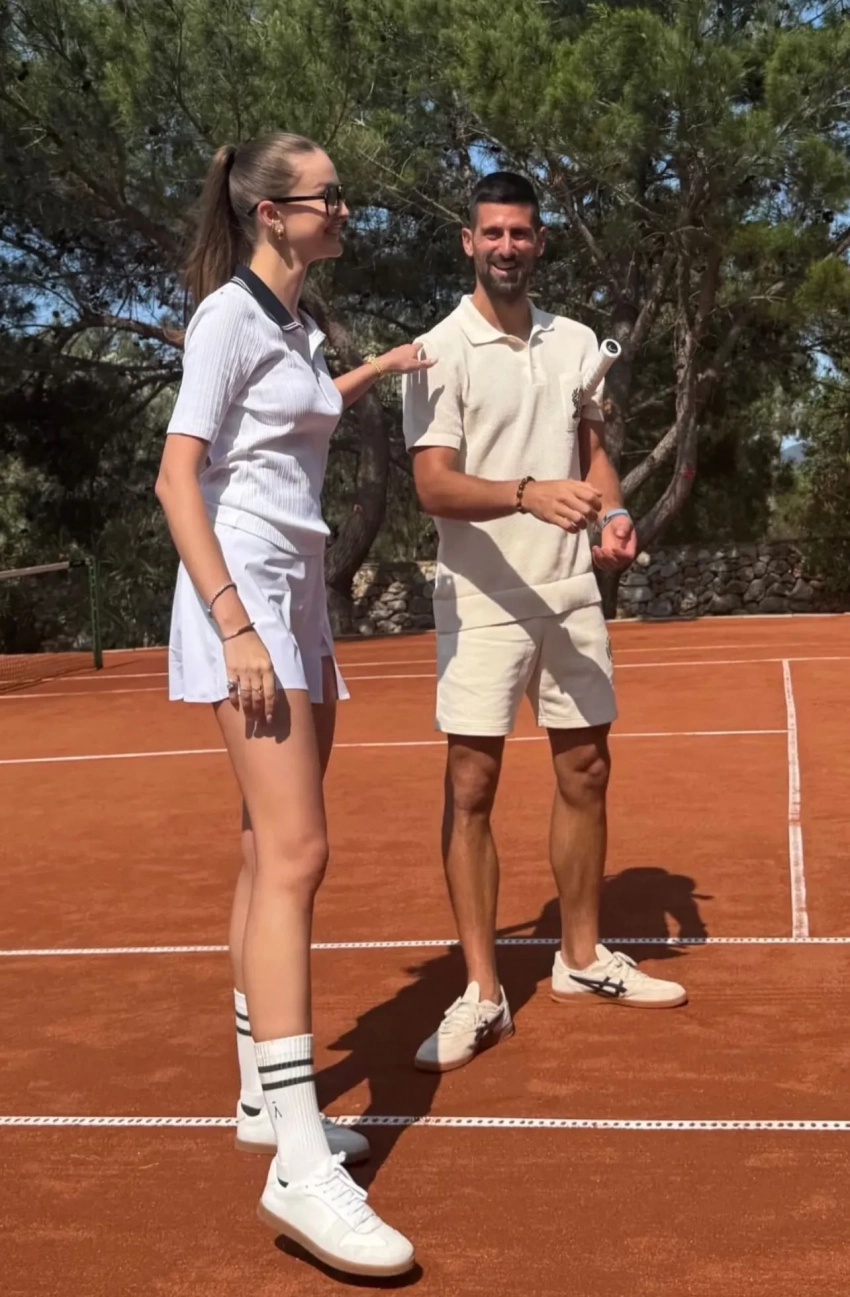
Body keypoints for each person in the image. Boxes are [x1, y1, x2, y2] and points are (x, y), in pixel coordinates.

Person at [155, 131, 429, 1277]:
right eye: (328, 198)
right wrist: (233, 625)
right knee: (298, 853)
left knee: (265, 846)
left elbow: (299, 412)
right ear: (271, 212)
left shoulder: (296, 325)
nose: (345, 209)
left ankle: (259, 1101)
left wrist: (382, 366)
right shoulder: (227, 318)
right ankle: (299, 1161)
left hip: (298, 598)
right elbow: (177, 474)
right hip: (248, 599)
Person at [401, 172, 687, 1075]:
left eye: (520, 233)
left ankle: (581, 957)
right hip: (482, 599)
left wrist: (614, 513)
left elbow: (592, 452)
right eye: (492, 233)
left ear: (540, 241)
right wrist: (526, 494)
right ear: (468, 242)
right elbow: (433, 484)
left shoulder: (574, 343)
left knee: (587, 768)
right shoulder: (438, 350)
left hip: (569, 593)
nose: (507, 247)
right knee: (472, 787)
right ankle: (482, 990)